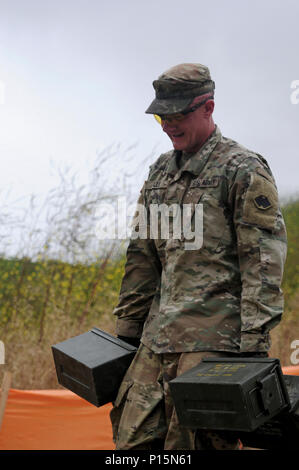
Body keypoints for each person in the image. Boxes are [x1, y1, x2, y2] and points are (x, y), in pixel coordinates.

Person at [110, 63, 287, 450]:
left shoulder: (242, 169)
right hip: (155, 344)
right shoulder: (160, 173)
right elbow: (142, 256)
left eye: (178, 116)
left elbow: (262, 262)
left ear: (208, 107)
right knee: (131, 444)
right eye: (161, 116)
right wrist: (127, 332)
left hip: (214, 346)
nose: (167, 126)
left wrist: (254, 346)